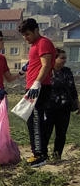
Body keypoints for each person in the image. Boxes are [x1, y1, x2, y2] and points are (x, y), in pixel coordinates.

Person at [18, 18, 58, 166]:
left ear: (36, 30)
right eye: (23, 35)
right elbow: (35, 63)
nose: (25, 38)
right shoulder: (35, 45)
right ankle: (38, 152)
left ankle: (39, 155)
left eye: (27, 34)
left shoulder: (43, 43)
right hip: (33, 86)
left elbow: (46, 65)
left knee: (35, 119)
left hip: (39, 87)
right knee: (31, 119)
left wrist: (37, 83)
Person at [44, 50, 78, 160]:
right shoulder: (47, 71)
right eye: (62, 58)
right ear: (54, 58)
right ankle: (43, 155)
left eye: (65, 58)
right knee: (46, 132)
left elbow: (72, 88)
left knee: (61, 133)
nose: (64, 60)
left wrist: (77, 102)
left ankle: (57, 156)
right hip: (49, 107)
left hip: (64, 107)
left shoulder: (67, 71)